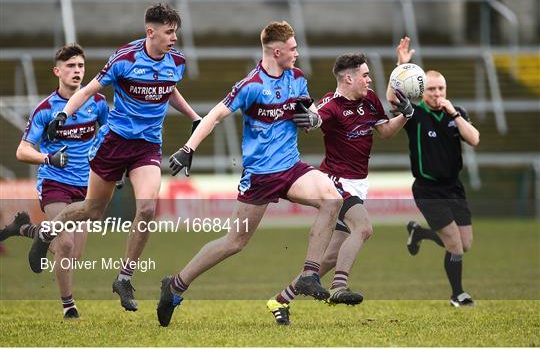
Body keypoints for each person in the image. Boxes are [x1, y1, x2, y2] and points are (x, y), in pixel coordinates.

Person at [157, 20, 343, 327]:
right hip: (260, 175)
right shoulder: (251, 85)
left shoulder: (296, 78)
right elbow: (215, 114)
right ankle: (176, 285)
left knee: (331, 199)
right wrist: (188, 148)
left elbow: (314, 113)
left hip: (291, 168)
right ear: (277, 50)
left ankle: (310, 275)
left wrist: (312, 119)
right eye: (293, 49)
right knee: (234, 242)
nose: (297, 53)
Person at [27, 3, 201, 312]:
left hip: (147, 146)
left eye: (176, 32)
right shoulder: (124, 59)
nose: (175, 38)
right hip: (114, 143)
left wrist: (193, 116)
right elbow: (87, 90)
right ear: (151, 32)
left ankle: (124, 277)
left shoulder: (177, 61)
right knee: (93, 210)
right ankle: (49, 230)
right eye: (169, 32)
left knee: (147, 208)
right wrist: (64, 115)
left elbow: (168, 89)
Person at [267, 52, 415, 325]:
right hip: (336, 182)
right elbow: (315, 118)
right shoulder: (331, 105)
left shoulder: (369, 100)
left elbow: (385, 132)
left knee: (328, 258)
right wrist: (309, 119)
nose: (369, 80)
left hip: (358, 185)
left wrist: (406, 115)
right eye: (365, 75)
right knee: (364, 228)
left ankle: (279, 300)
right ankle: (338, 288)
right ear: (349, 78)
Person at [0, 43, 109, 319]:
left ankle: (24, 229)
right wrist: (48, 158)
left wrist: (108, 167)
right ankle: (69, 306)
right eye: (71, 66)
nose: (77, 71)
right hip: (54, 183)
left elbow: (108, 135)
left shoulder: (96, 103)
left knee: (73, 255)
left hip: (86, 187)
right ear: (57, 71)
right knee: (66, 244)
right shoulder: (46, 109)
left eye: (81, 66)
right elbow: (22, 150)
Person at [387, 37, 480, 307]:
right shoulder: (414, 114)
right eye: (431, 90)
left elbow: (473, 139)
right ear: (422, 91)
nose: (437, 94)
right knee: (454, 245)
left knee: (466, 243)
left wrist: (455, 114)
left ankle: (419, 233)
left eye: (441, 89)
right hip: (428, 189)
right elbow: (393, 99)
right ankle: (458, 294)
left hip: (454, 187)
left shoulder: (456, 113)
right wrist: (401, 67)